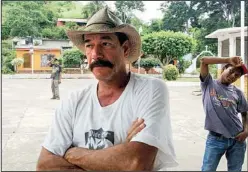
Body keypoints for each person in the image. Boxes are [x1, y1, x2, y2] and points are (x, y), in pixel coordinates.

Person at [37, 7, 177, 171]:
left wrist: (73, 154)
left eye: (105, 43)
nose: (96, 54)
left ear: (124, 49)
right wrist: (120, 152)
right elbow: (44, 165)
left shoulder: (150, 90)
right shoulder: (73, 101)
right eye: (89, 45)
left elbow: (135, 163)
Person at [199, 56, 248, 171]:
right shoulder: (208, 84)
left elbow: (245, 113)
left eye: (236, 75)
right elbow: (203, 61)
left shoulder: (238, 92)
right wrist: (227, 60)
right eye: (231, 71)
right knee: (207, 169)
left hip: (237, 139)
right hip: (215, 139)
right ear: (224, 68)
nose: (232, 76)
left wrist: (246, 131)